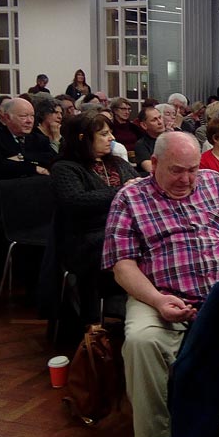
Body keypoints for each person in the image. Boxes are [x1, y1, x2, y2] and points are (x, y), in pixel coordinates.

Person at [102, 131, 219, 437]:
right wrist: (156, 300)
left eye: (193, 170)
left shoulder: (215, 183)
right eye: (176, 170)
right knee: (142, 342)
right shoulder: (130, 197)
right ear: (154, 165)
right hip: (159, 292)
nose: (186, 179)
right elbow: (122, 266)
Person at [51, 111, 137, 322]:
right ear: (83, 138)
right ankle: (97, 320)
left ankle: (144, 308)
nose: (112, 138)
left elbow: (139, 186)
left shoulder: (118, 163)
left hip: (122, 231)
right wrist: (121, 191)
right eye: (104, 134)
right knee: (130, 251)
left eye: (111, 133)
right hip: (86, 239)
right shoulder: (65, 168)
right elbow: (76, 202)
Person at [0, 97, 54, 180]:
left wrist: (21, 157)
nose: (29, 121)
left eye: (32, 116)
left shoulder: (40, 140)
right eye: (23, 116)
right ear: (7, 117)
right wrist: (33, 168)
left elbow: (50, 160)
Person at [133, 106, 165, 173]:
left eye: (160, 117)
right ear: (144, 125)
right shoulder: (141, 145)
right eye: (154, 120)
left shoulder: (171, 139)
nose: (160, 122)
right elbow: (151, 169)